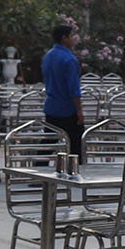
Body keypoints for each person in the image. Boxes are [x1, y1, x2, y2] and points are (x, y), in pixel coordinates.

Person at [42, 23, 84, 158]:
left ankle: (39, 165)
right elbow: (73, 88)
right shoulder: (69, 59)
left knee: (49, 141)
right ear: (64, 38)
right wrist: (79, 111)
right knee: (76, 144)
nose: (73, 39)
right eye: (71, 36)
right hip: (67, 108)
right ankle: (76, 167)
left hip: (51, 106)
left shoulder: (48, 56)